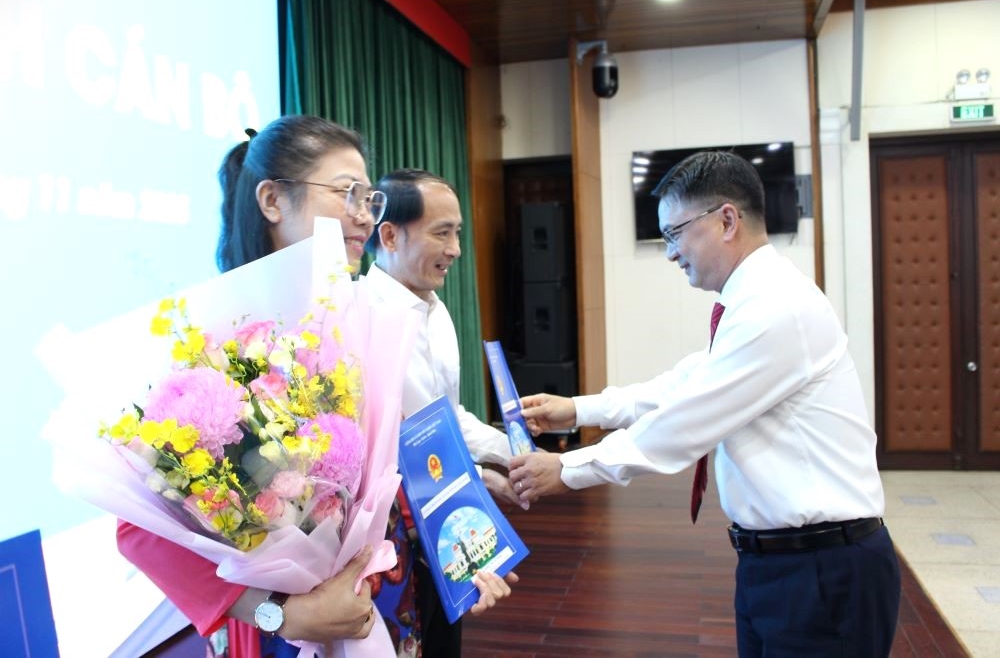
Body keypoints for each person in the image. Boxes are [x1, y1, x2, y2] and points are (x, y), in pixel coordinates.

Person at [117, 116, 512, 657]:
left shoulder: (354, 322)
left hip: (386, 602)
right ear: (272, 200)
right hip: (288, 632)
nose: (364, 217)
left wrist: (461, 554)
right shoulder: (213, 341)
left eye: (369, 198)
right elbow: (142, 534)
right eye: (347, 194)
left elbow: (392, 475)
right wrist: (284, 613)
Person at [509, 151, 901, 657]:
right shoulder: (749, 301)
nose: (670, 253)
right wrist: (581, 411)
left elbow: (687, 422)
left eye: (674, 233)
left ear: (727, 219)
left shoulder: (775, 308)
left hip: (823, 570)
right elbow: (688, 384)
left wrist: (568, 467)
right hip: (779, 562)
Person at [364, 168, 525, 656]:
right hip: (390, 542)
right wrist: (477, 475)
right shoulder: (362, 317)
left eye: (457, 232)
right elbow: (392, 443)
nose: (456, 249)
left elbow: (446, 417)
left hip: (444, 525)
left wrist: (515, 452)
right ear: (389, 234)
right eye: (442, 232)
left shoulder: (436, 309)